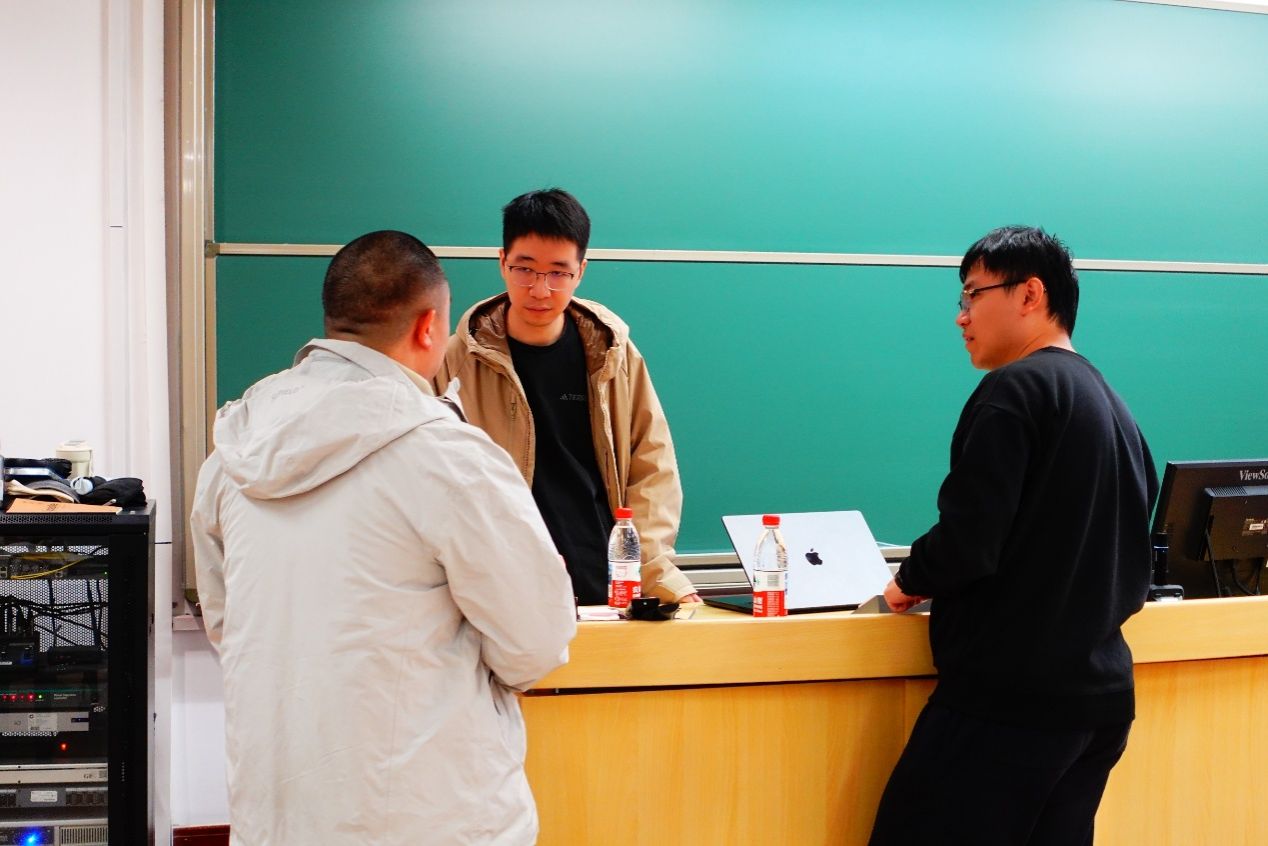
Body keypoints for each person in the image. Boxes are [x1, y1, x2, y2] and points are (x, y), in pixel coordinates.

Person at [190, 230, 577, 845]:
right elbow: (536, 640)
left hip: (280, 813)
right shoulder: (448, 456)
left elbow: (225, 623)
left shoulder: (231, 455)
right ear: (428, 327)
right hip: (432, 814)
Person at [869, 226, 1158, 846]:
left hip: (1008, 705)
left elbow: (971, 537)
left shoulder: (1015, 389)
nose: (961, 316)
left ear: (1030, 294)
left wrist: (908, 579)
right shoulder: (1114, 407)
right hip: (1099, 702)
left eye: (973, 295)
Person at [436, 188, 700, 605]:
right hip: (501, 590)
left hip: (605, 581)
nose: (540, 290)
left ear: (581, 272)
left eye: (558, 273)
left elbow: (652, 465)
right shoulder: (457, 360)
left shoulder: (612, 353)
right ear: (502, 262)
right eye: (525, 269)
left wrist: (654, 573)